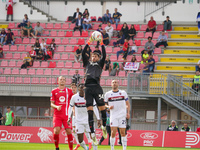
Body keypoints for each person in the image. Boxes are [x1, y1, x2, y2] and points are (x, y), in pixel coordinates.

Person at [82, 37, 107, 145]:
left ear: (98, 57)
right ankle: (92, 133)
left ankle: (104, 127)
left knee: (102, 109)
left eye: (95, 56)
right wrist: (88, 43)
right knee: (90, 111)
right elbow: (83, 52)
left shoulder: (100, 64)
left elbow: (105, 54)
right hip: (88, 88)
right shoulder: (87, 64)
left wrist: (101, 43)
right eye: (92, 55)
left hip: (97, 87)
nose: (93, 57)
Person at [68, 84, 100, 150]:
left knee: (93, 136)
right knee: (80, 139)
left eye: (84, 89)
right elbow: (70, 107)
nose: (83, 90)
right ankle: (86, 148)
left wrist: (98, 118)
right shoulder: (74, 97)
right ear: (79, 89)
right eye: (81, 89)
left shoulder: (90, 97)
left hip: (89, 120)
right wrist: (69, 117)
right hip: (79, 121)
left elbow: (95, 107)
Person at [104, 80, 130, 150]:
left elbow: (127, 104)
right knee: (113, 132)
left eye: (115, 82)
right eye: (113, 83)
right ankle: (112, 148)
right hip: (113, 115)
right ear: (111, 85)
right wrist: (108, 107)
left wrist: (128, 113)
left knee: (123, 133)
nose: (114, 84)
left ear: (118, 84)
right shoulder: (107, 94)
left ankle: (124, 148)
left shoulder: (123, 93)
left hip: (122, 115)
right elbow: (105, 104)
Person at [50, 76, 74, 150]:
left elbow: (73, 102)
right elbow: (51, 104)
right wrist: (56, 107)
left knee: (69, 131)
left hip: (67, 115)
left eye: (64, 80)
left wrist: (74, 111)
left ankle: (71, 149)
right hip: (57, 115)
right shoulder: (54, 91)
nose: (62, 81)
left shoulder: (69, 91)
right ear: (58, 81)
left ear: (65, 81)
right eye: (61, 80)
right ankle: (57, 147)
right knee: (56, 131)